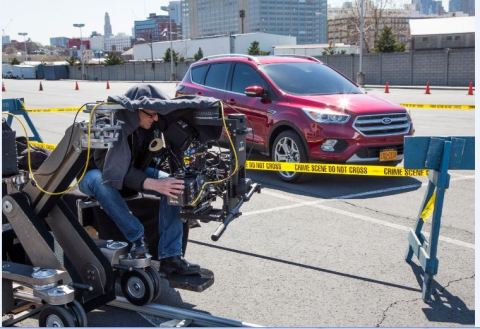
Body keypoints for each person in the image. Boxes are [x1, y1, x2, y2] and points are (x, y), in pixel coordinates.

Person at [79, 85, 201, 276]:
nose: (156, 119)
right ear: (135, 110)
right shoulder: (105, 121)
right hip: (94, 174)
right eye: (151, 114)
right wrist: (152, 184)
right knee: (100, 180)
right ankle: (138, 239)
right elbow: (108, 169)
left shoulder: (150, 126)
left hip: (134, 172)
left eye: (157, 114)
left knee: (174, 185)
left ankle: (171, 257)